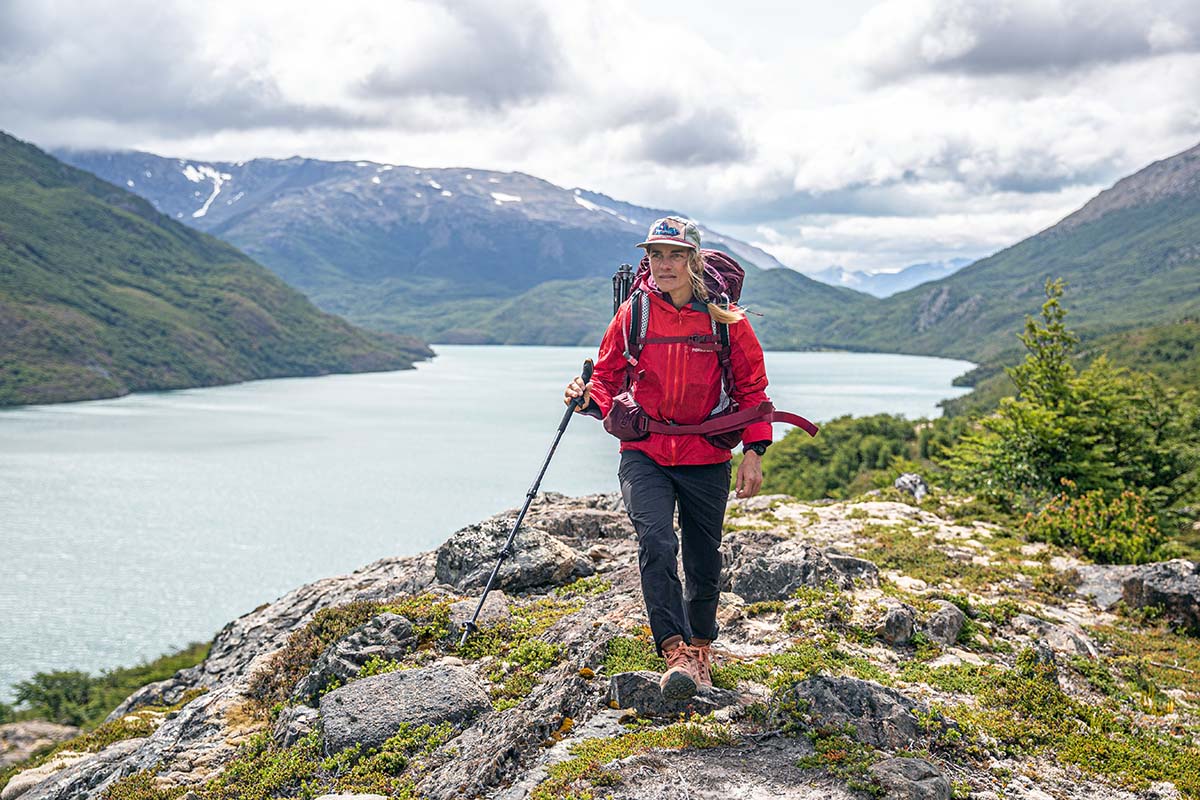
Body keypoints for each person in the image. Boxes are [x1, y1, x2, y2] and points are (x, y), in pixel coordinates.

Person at [564, 216, 773, 702]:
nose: (664, 264)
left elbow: (752, 390)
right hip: (646, 451)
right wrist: (584, 393)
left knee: (703, 557)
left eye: (675, 255)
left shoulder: (725, 321)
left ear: (694, 260)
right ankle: (674, 650)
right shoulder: (634, 314)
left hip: (705, 455)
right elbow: (608, 378)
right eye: (656, 255)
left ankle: (701, 646)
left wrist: (753, 452)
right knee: (656, 541)